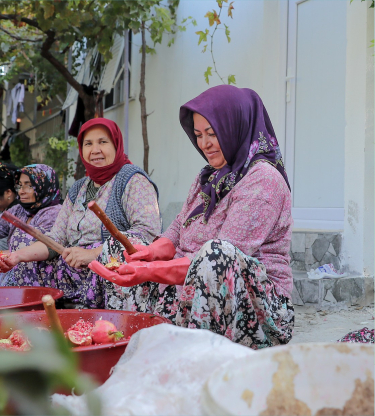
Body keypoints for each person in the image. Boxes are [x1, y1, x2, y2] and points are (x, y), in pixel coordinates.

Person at [89, 85, 294, 349]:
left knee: (216, 254)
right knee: (119, 246)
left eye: (212, 133)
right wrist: (149, 254)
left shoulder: (263, 180)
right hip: (189, 284)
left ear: (235, 126)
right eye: (198, 135)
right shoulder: (209, 175)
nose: (204, 144)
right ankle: (126, 344)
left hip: (254, 307)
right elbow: (178, 227)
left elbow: (220, 258)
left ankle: (200, 356)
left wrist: (148, 270)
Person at [0, 119, 162, 310]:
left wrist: (94, 254)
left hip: (110, 275)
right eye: (88, 143)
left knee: (106, 250)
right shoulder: (79, 187)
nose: (95, 150)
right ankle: (34, 319)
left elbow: (147, 233)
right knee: (23, 240)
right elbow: (56, 239)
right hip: (72, 271)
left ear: (116, 145)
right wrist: (16, 257)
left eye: (103, 142)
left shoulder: (133, 180)